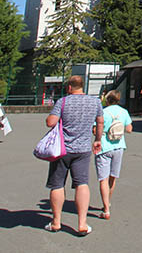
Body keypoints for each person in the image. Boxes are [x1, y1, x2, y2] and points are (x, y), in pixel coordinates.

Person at [44, 75, 104, 237]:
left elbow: (51, 122)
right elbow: (100, 122)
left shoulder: (63, 102)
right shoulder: (95, 102)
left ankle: (56, 222)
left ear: (69, 87)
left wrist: (51, 117)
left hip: (62, 149)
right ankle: (82, 224)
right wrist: (97, 139)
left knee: (57, 184)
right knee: (82, 183)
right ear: (82, 86)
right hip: (83, 149)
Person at [96, 90, 133, 220]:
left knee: (103, 179)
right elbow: (129, 129)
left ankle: (106, 209)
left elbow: (95, 129)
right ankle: (108, 202)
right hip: (119, 145)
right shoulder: (124, 112)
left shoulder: (103, 112)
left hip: (104, 146)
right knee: (113, 177)